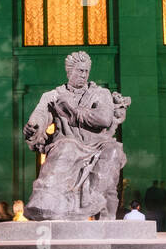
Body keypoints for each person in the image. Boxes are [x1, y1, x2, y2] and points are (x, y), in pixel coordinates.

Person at [22, 50, 130, 220]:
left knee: (113, 152)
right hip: (66, 142)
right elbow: (40, 115)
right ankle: (46, 202)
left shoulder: (101, 94)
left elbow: (103, 119)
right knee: (66, 149)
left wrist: (72, 109)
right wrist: (33, 127)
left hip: (98, 144)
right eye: (80, 70)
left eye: (86, 71)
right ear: (69, 71)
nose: (84, 75)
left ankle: (93, 200)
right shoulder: (53, 96)